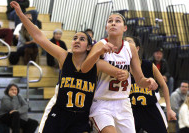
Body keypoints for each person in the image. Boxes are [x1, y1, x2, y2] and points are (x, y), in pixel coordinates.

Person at [10, 2, 129, 133]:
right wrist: (21, 15)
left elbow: (120, 72)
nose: (77, 41)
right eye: (74, 38)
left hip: (81, 118)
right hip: (60, 114)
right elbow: (39, 37)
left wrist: (126, 74)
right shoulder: (63, 56)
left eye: (82, 39)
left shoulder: (96, 64)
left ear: (89, 47)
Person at [81, 13, 158, 133]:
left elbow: (140, 80)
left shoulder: (130, 48)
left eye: (117, 21)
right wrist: (99, 52)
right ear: (106, 27)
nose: (113, 23)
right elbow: (84, 69)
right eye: (110, 21)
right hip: (102, 102)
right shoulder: (100, 45)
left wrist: (148, 81)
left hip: (123, 103)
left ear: (125, 28)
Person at [125, 36, 176, 133]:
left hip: (150, 108)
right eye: (125, 42)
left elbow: (164, 85)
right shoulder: (121, 66)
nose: (127, 44)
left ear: (137, 48)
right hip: (131, 110)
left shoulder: (148, 65)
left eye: (130, 42)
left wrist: (169, 109)